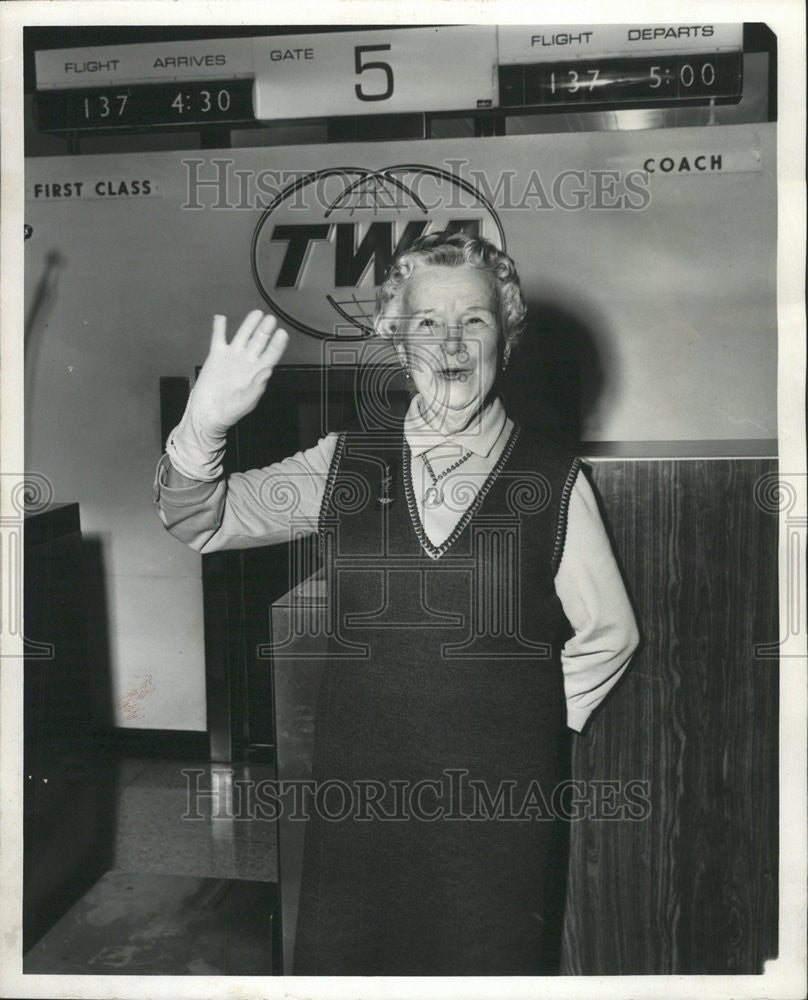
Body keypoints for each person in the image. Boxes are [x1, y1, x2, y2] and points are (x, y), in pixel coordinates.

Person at [154, 231, 640, 975]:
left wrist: (525, 725)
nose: (451, 342)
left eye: (474, 320)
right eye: (427, 322)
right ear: (394, 335)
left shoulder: (553, 476)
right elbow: (203, 520)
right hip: (362, 798)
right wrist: (206, 424)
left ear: (505, 340)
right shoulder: (344, 462)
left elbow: (609, 634)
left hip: (496, 813)